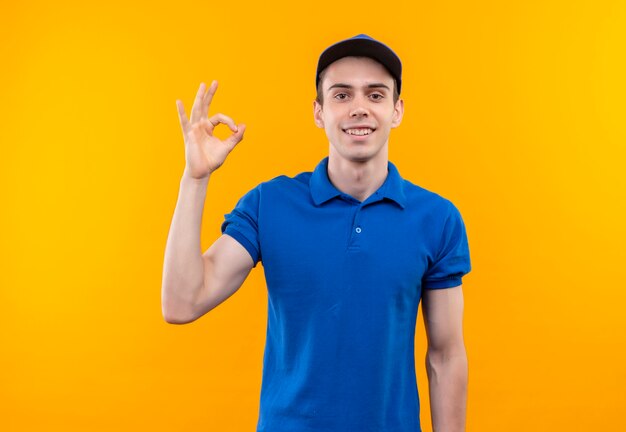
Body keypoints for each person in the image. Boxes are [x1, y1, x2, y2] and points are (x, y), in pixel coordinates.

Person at [162, 34, 472, 432]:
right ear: (318, 112)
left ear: (396, 111)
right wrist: (195, 177)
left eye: (375, 95)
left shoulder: (437, 218)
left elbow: (445, 357)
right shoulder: (268, 204)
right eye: (341, 96)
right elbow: (182, 303)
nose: (359, 108)